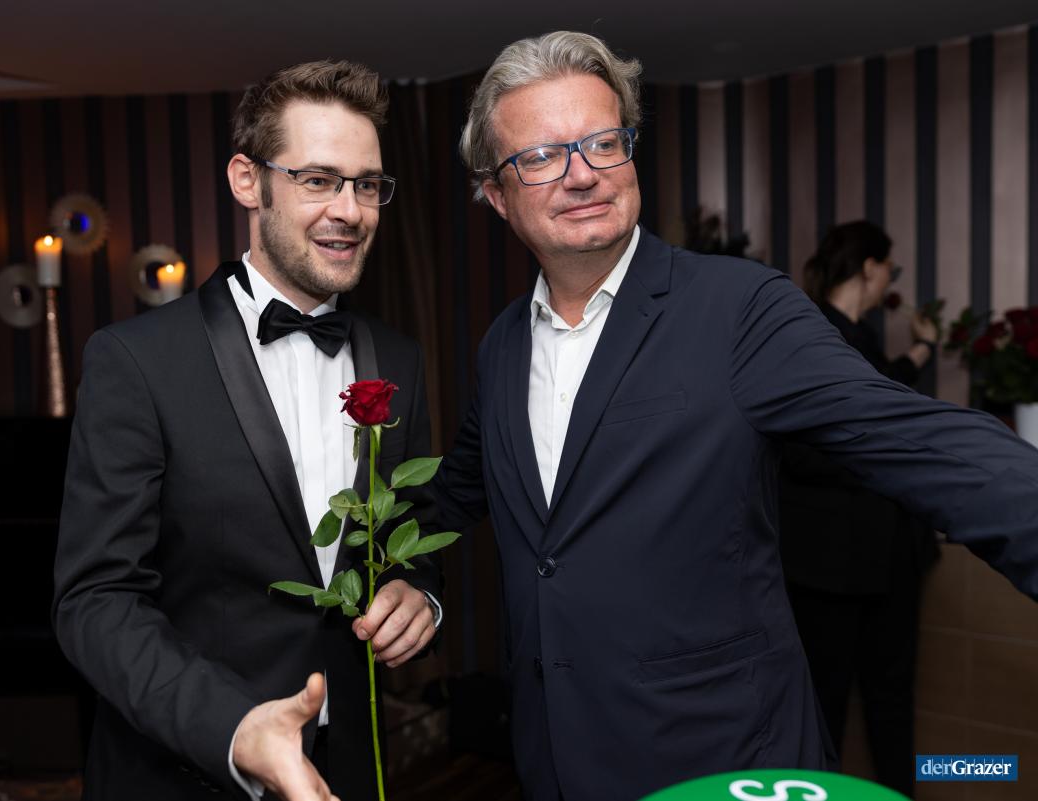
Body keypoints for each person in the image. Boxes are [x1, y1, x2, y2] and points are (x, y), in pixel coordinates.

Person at [430, 30, 1038, 801]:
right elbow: (454, 494)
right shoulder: (502, 345)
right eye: (544, 156)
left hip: (722, 756)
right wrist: (408, 579)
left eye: (604, 142)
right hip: (553, 757)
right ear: (497, 194)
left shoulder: (739, 308)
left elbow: (917, 438)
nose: (583, 174)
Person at [53, 60, 443, 801]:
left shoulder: (399, 360)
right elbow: (96, 601)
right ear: (247, 181)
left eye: (367, 185)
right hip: (182, 773)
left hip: (348, 768)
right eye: (318, 180)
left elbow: (413, 532)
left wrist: (419, 596)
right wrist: (234, 728)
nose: (350, 210)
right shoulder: (136, 360)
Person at [779, 221, 940, 797]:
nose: (890, 281)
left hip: (884, 558)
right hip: (830, 564)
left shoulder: (859, 337)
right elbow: (796, 448)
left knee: (889, 698)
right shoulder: (804, 331)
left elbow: (882, 399)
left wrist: (920, 351)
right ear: (869, 267)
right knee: (824, 701)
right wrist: (884, 459)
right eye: (890, 269)